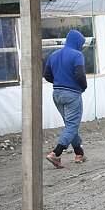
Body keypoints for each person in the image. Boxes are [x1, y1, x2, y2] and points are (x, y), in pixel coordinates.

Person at [42, 29, 88, 168]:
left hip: (57, 94)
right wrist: (83, 87)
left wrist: (59, 82)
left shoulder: (54, 54)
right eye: (81, 44)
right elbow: (80, 75)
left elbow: (47, 75)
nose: (81, 47)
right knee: (72, 125)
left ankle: (79, 153)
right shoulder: (77, 55)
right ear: (78, 42)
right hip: (72, 94)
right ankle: (56, 154)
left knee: (70, 125)